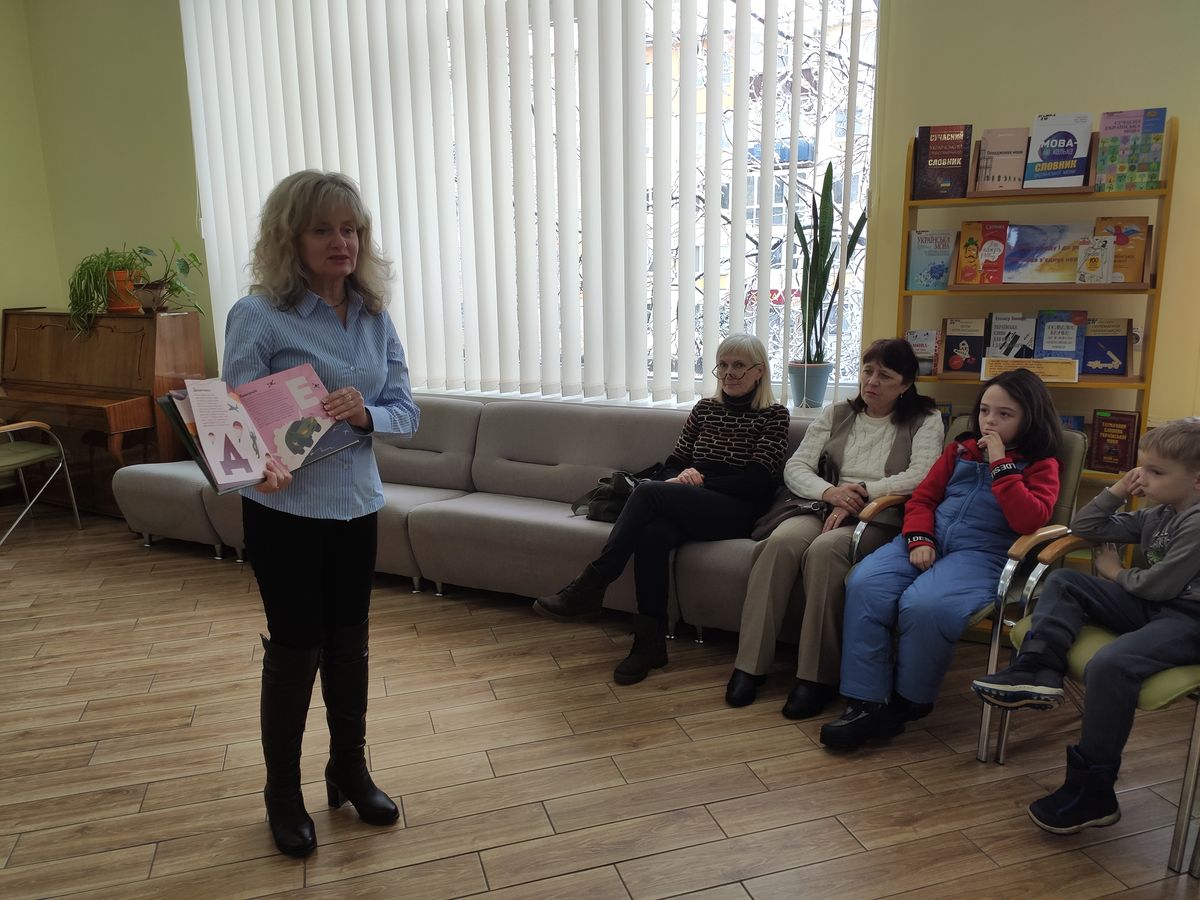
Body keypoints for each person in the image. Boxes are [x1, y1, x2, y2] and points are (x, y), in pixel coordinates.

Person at [223, 170, 420, 857]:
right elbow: (233, 418)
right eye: (323, 229)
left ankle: (349, 769)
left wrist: (367, 414)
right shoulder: (257, 315)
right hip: (285, 510)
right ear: (290, 238)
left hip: (357, 506)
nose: (342, 242)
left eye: (351, 229)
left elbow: (406, 410)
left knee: (349, 643)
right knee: (295, 648)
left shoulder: (373, 315)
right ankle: (282, 791)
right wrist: (257, 462)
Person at [972, 417, 1200, 834]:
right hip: (1154, 606)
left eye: (1155, 472)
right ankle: (1038, 669)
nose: (1142, 478)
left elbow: (1159, 585)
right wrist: (1117, 490)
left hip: (1189, 620)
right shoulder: (1162, 513)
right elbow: (1085, 527)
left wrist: (1114, 572)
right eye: (1140, 468)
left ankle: (1094, 792)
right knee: (1065, 581)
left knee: (1111, 665)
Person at [820, 368, 1062, 750]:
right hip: (928, 537)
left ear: (1030, 417)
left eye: (1004, 414)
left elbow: (1028, 520)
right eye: (984, 410)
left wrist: (1001, 465)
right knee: (866, 584)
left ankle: (909, 701)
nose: (989, 422)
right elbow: (923, 498)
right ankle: (865, 700)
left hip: (984, 553)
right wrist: (919, 537)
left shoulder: (1042, 464)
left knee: (926, 605)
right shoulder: (961, 449)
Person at [533, 333, 790, 685]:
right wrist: (680, 477)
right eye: (723, 365)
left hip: (738, 510)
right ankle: (649, 644)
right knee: (652, 534)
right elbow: (673, 463)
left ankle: (592, 583)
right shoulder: (704, 409)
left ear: (759, 371)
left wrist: (699, 482)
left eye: (739, 366)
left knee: (648, 492)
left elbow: (758, 480)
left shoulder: (774, 416)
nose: (729, 373)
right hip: (693, 500)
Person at [725, 339, 944, 717]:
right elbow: (796, 468)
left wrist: (860, 493)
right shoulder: (837, 413)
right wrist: (831, 492)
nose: (871, 381)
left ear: (906, 384)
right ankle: (750, 665)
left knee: (825, 552)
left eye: (884, 375)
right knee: (779, 544)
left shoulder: (925, 419)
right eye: (867, 371)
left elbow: (922, 475)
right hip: (820, 504)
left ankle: (816, 677)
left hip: (878, 515)